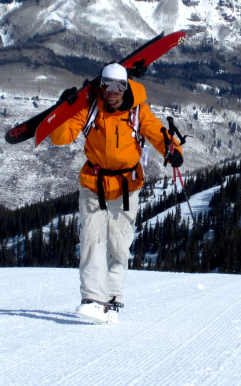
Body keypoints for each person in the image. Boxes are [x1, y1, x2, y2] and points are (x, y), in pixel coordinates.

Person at [49, 62, 184, 323]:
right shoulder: (91, 109)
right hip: (94, 183)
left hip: (126, 186)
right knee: (91, 239)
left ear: (126, 87)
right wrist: (63, 110)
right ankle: (93, 299)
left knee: (119, 245)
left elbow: (157, 132)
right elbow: (60, 137)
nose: (112, 91)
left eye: (118, 86)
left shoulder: (137, 111)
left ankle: (112, 297)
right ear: (101, 86)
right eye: (107, 85)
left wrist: (173, 149)